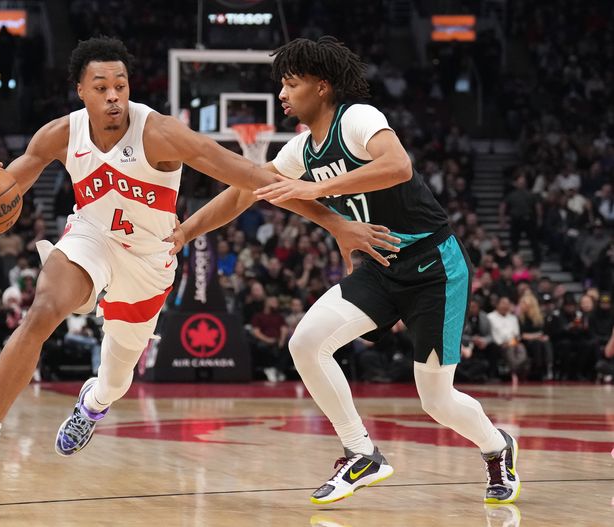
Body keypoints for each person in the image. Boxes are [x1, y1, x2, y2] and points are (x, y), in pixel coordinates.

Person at [0, 36, 399, 497]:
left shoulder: (161, 132)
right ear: (81, 90)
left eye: (121, 84)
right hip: (90, 237)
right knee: (43, 310)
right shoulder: (58, 134)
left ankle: (93, 404)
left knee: (116, 379)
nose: (113, 95)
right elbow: (5, 186)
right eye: (100, 87)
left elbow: (256, 178)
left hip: (150, 260)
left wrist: (336, 223)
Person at [173, 36, 520, 505]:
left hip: (434, 267)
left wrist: (321, 190)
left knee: (436, 400)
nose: (281, 95)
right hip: (378, 267)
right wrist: (186, 231)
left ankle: (497, 447)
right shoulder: (300, 150)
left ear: (320, 87)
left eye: (290, 84)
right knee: (306, 342)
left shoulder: (358, 118)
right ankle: (362, 452)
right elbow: (242, 191)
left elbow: (398, 166)